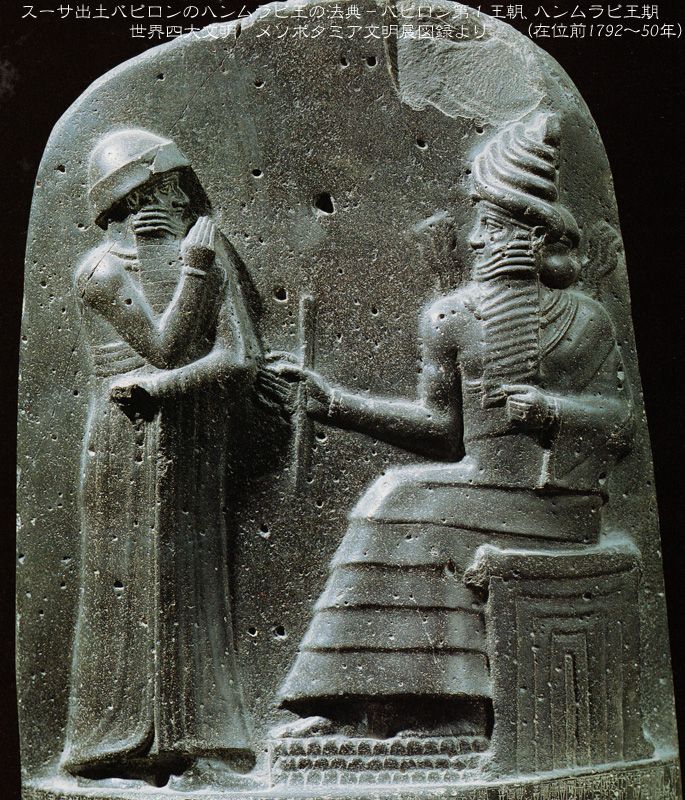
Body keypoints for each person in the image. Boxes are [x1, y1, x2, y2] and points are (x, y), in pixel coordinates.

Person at [264, 113, 633, 740]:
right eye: (478, 225)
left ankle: (448, 708)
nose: (476, 240)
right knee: (398, 495)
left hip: (554, 501)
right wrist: (334, 404)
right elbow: (441, 429)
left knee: (407, 502)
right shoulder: (451, 317)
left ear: (533, 237)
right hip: (481, 484)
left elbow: (620, 426)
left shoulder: (584, 319)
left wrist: (551, 411)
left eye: (491, 226)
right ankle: (358, 703)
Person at [63, 129, 261, 787]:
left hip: (192, 432)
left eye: (173, 187)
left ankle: (200, 739)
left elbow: (240, 356)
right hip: (126, 436)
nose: (170, 202)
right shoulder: (101, 270)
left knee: (192, 585)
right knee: (127, 586)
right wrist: (194, 270)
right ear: (120, 203)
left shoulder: (206, 250)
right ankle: (113, 742)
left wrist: (167, 389)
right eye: (151, 191)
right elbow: (165, 347)